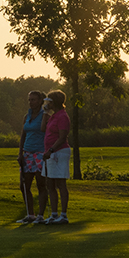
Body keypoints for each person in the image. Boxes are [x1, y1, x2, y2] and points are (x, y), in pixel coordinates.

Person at [16, 90, 49, 224]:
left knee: (41, 184)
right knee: (24, 185)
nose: (31, 102)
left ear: (41, 101)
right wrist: (20, 153)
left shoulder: (45, 116)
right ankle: (31, 215)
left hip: (40, 153)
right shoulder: (27, 116)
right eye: (29, 100)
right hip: (27, 153)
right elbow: (23, 135)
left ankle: (40, 215)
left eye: (34, 99)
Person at [41, 90, 71, 225]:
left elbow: (62, 137)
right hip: (50, 153)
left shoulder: (63, 117)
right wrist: (45, 113)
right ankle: (54, 214)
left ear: (55, 102)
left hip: (59, 152)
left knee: (60, 183)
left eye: (49, 101)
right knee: (50, 183)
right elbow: (43, 129)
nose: (47, 103)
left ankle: (63, 215)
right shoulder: (53, 116)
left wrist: (52, 150)